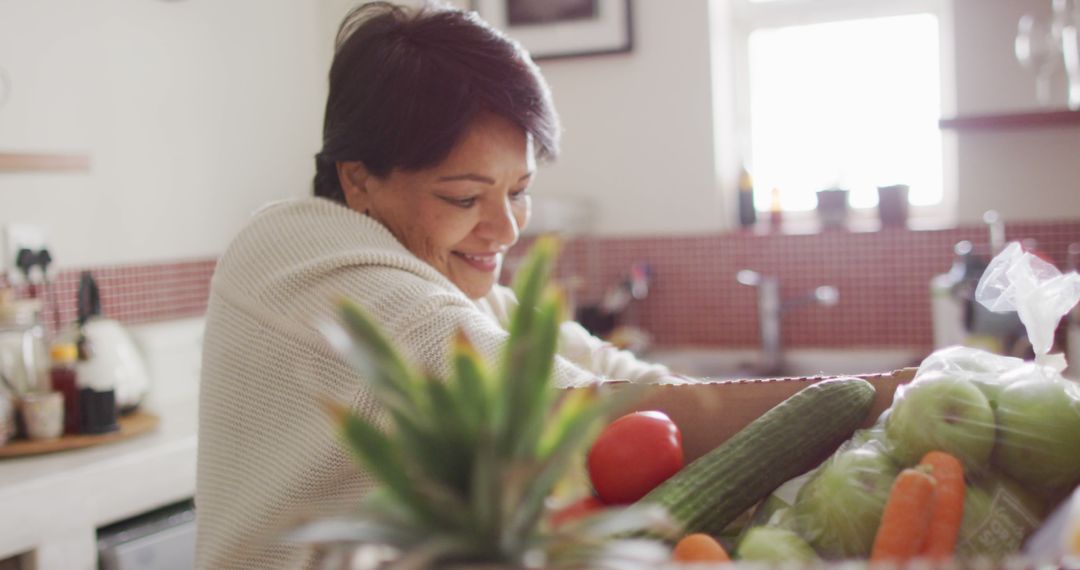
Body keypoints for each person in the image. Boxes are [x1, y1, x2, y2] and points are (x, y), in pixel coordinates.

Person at [195, 3, 673, 569]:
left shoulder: (449, 279)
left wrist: (790, 397)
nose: (508, 227)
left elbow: (626, 381)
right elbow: (582, 408)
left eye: (519, 190)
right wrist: (803, 415)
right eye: (464, 198)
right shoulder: (304, 253)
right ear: (358, 180)